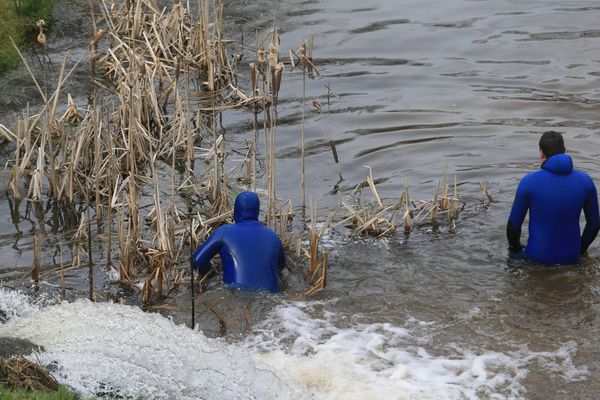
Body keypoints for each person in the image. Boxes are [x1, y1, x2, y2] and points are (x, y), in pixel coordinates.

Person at [507, 131, 600, 264]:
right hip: (572, 260)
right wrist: (580, 250)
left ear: (541, 154)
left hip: (536, 260)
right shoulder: (586, 181)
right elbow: (594, 224)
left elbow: (513, 227)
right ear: (565, 150)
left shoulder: (528, 182)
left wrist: (515, 250)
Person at [193, 191, 285, 292]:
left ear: (235, 211)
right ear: (257, 211)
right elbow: (280, 268)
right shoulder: (273, 236)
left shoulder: (224, 232)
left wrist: (212, 272)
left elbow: (197, 261)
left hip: (236, 293)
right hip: (272, 298)